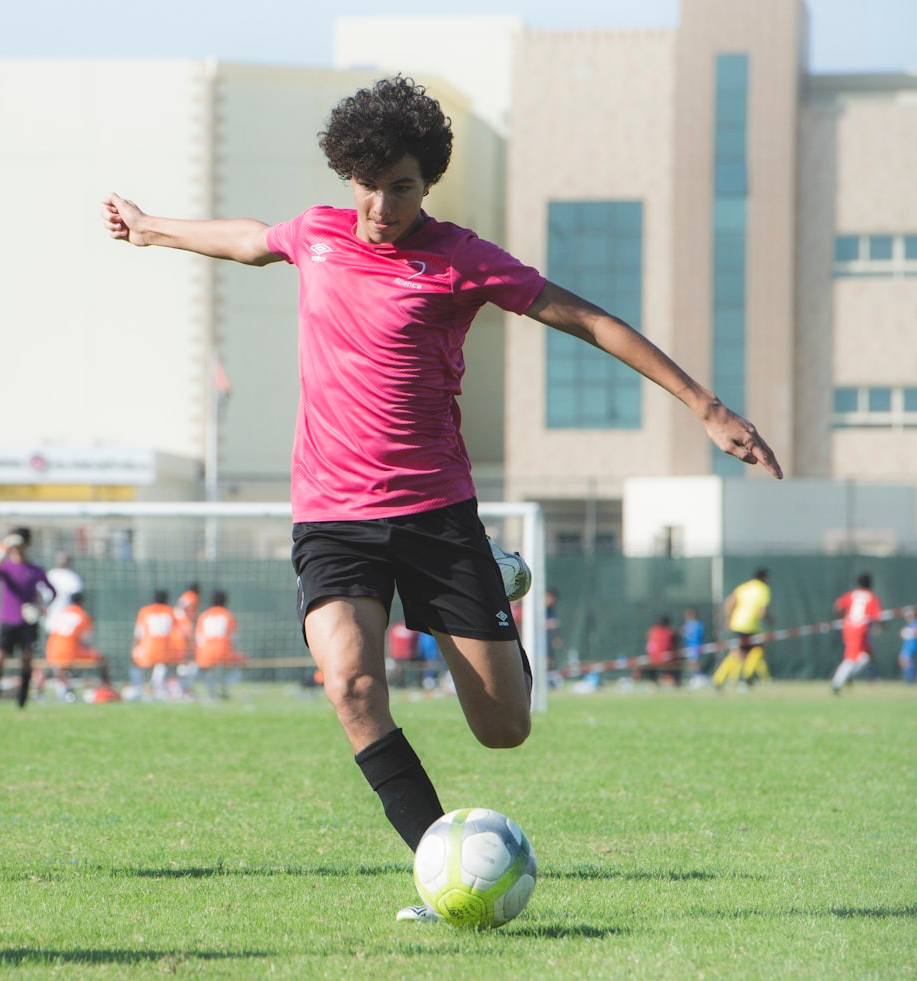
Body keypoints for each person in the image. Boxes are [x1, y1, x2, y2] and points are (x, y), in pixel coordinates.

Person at [102, 75, 782, 921]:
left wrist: (708, 409)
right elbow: (247, 238)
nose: (382, 206)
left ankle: (490, 579)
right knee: (350, 686)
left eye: (403, 188)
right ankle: (440, 868)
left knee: (505, 728)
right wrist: (152, 228)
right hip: (331, 514)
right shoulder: (315, 235)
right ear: (347, 173)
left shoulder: (462, 260)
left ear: (428, 184)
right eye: (370, 185)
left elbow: (589, 319)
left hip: (434, 514)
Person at [0, 527, 53, 708]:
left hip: (28, 622)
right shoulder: (5, 566)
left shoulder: (35, 570)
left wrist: (40, 606)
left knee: (27, 659)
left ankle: (22, 700)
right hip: (7, 621)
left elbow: (51, 591)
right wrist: (2, 548)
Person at [43, 592, 113, 699]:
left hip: (51, 652)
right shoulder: (83, 616)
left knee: (60, 664)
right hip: (70, 653)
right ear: (82, 603)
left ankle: (62, 685)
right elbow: (86, 642)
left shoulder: (62, 613)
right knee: (103, 658)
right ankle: (106, 689)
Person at [715, 569, 773, 691]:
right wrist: (770, 620)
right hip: (751, 625)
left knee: (739, 652)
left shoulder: (744, 587)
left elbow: (729, 601)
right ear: (764, 578)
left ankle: (719, 678)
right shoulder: (763, 589)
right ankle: (747, 676)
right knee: (757, 649)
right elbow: (762, 612)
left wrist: (728, 618)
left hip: (738, 623)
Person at [831, 573, 881, 694]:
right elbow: (877, 616)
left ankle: (849, 675)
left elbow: (837, 607)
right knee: (851, 658)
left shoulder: (852, 595)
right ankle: (836, 683)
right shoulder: (871, 597)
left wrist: (842, 619)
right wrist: (880, 626)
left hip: (851, 627)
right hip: (859, 629)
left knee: (867, 656)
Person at [195, 590, 248, 699]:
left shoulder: (204, 616)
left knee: (208, 668)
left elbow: (198, 638)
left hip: (205, 653)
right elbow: (234, 639)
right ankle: (224, 686)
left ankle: (211, 691)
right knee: (243, 661)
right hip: (223, 652)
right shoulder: (228, 616)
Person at [131, 590, 182, 699]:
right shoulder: (170, 612)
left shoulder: (145, 611)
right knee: (162, 665)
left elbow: (138, 634)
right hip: (164, 652)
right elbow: (177, 634)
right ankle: (158, 690)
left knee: (136, 664)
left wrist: (134, 649)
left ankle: (137, 689)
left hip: (147, 652)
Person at [44, 553, 83, 634]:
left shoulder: (72, 577)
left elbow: (76, 599)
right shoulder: (51, 575)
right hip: (52, 616)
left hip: (67, 619)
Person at [645, 614, 678, 686]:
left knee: (651, 662)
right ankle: (677, 682)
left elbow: (649, 646)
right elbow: (675, 644)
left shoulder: (652, 631)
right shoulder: (670, 632)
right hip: (667, 659)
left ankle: (653, 682)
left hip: (654, 659)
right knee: (676, 661)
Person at [680, 606, 707, 680]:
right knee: (691, 662)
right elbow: (683, 632)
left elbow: (700, 634)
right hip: (688, 646)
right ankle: (694, 676)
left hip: (695, 645)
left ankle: (699, 676)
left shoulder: (698, 624)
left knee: (694, 662)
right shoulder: (687, 623)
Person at [899, 613, 917, 685]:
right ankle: (909, 678)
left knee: (906, 660)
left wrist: (908, 632)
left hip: (912, 644)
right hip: (907, 644)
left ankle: (910, 679)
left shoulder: (915, 623)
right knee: (903, 660)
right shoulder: (910, 623)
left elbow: (915, 633)